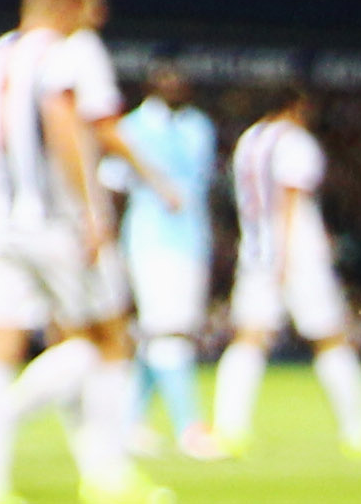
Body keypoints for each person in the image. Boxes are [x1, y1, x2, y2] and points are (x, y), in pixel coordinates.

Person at [0, 0, 170, 504]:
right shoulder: (65, 55)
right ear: (65, 2)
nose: (95, 17)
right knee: (106, 340)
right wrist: (93, 212)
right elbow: (65, 128)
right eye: (89, 3)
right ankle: (106, 476)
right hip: (55, 222)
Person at [200, 80, 361, 461]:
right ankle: (358, 431)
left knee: (249, 338)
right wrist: (286, 260)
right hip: (296, 254)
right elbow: (290, 202)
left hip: (255, 249)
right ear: (295, 104)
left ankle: (229, 429)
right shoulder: (295, 142)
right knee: (330, 338)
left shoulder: (250, 140)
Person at [110, 66, 219, 454]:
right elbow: (114, 185)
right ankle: (190, 428)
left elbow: (201, 186)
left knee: (168, 332)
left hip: (191, 240)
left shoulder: (199, 127)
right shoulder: (130, 128)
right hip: (149, 240)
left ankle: (127, 423)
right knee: (167, 331)